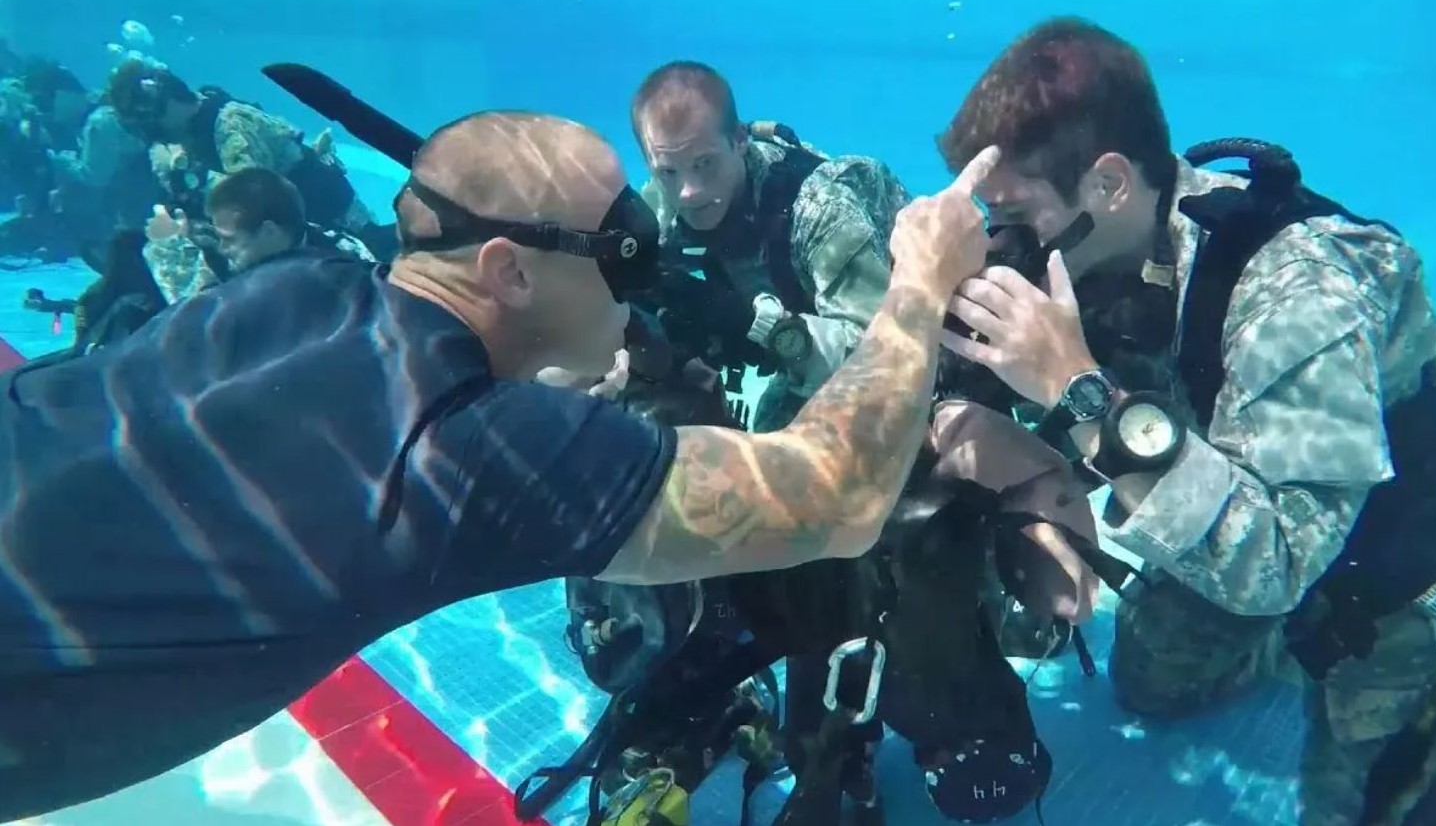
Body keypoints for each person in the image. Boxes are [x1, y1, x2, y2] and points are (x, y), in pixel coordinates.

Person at [0, 109, 999, 820]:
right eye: (625, 244)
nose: (647, 269)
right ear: (509, 270)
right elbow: (837, 493)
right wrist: (919, 280)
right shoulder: (473, 447)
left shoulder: (297, 285)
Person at [931, 16, 1436, 826]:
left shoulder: (1299, 295)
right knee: (1148, 680)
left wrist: (1077, 389)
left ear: (1107, 184)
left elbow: (1277, 563)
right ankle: (1279, 648)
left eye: (1013, 213)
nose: (1005, 241)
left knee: (1386, 805)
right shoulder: (1096, 246)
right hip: (1240, 504)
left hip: (1393, 569)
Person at [630, 61, 903, 432]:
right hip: (806, 337)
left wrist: (765, 328)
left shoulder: (819, 209)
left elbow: (887, 356)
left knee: (785, 436)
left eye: (705, 163)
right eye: (668, 172)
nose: (688, 192)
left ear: (739, 140)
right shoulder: (659, 206)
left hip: (924, 339)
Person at [103, 59, 396, 261]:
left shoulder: (229, 125)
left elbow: (251, 200)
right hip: (304, 222)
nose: (151, 134)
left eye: (147, 121)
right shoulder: (200, 124)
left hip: (331, 219)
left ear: (168, 103)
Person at [141, 166, 376, 304]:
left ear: (269, 231)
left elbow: (206, 327)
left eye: (230, 239)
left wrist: (169, 247)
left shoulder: (325, 276)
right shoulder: (336, 244)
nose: (223, 248)